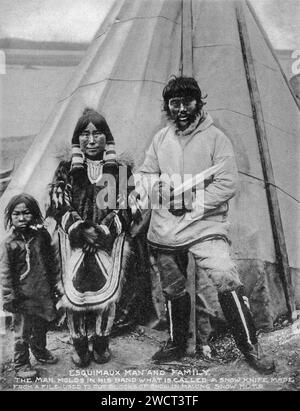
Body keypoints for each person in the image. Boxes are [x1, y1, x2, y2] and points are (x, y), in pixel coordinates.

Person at [138, 75, 275, 374]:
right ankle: (177, 342)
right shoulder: (161, 138)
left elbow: (227, 183)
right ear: (168, 106)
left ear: (199, 102)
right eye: (175, 103)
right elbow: (146, 173)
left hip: (205, 223)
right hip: (167, 226)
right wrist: (156, 189)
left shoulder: (216, 138)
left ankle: (250, 345)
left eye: (188, 101)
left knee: (225, 275)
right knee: (173, 285)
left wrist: (191, 202)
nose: (182, 109)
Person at [47, 108, 140, 367]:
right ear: (77, 140)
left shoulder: (121, 169)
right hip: (74, 241)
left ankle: (100, 343)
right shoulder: (66, 168)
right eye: (84, 134)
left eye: (97, 133)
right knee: (76, 295)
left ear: (107, 138)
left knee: (105, 295)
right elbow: (58, 204)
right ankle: (79, 346)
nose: (91, 140)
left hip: (108, 241)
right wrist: (80, 229)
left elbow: (130, 205)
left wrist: (103, 232)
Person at [0, 193, 58, 380]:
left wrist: (56, 286)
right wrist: (9, 297)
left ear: (34, 214)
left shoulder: (41, 236)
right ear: (10, 216)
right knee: (22, 333)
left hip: (42, 293)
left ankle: (40, 351)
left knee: (42, 326)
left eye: (26, 213)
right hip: (22, 298)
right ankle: (21, 363)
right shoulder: (9, 243)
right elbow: (5, 274)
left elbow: (51, 262)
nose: (22, 218)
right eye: (16, 214)